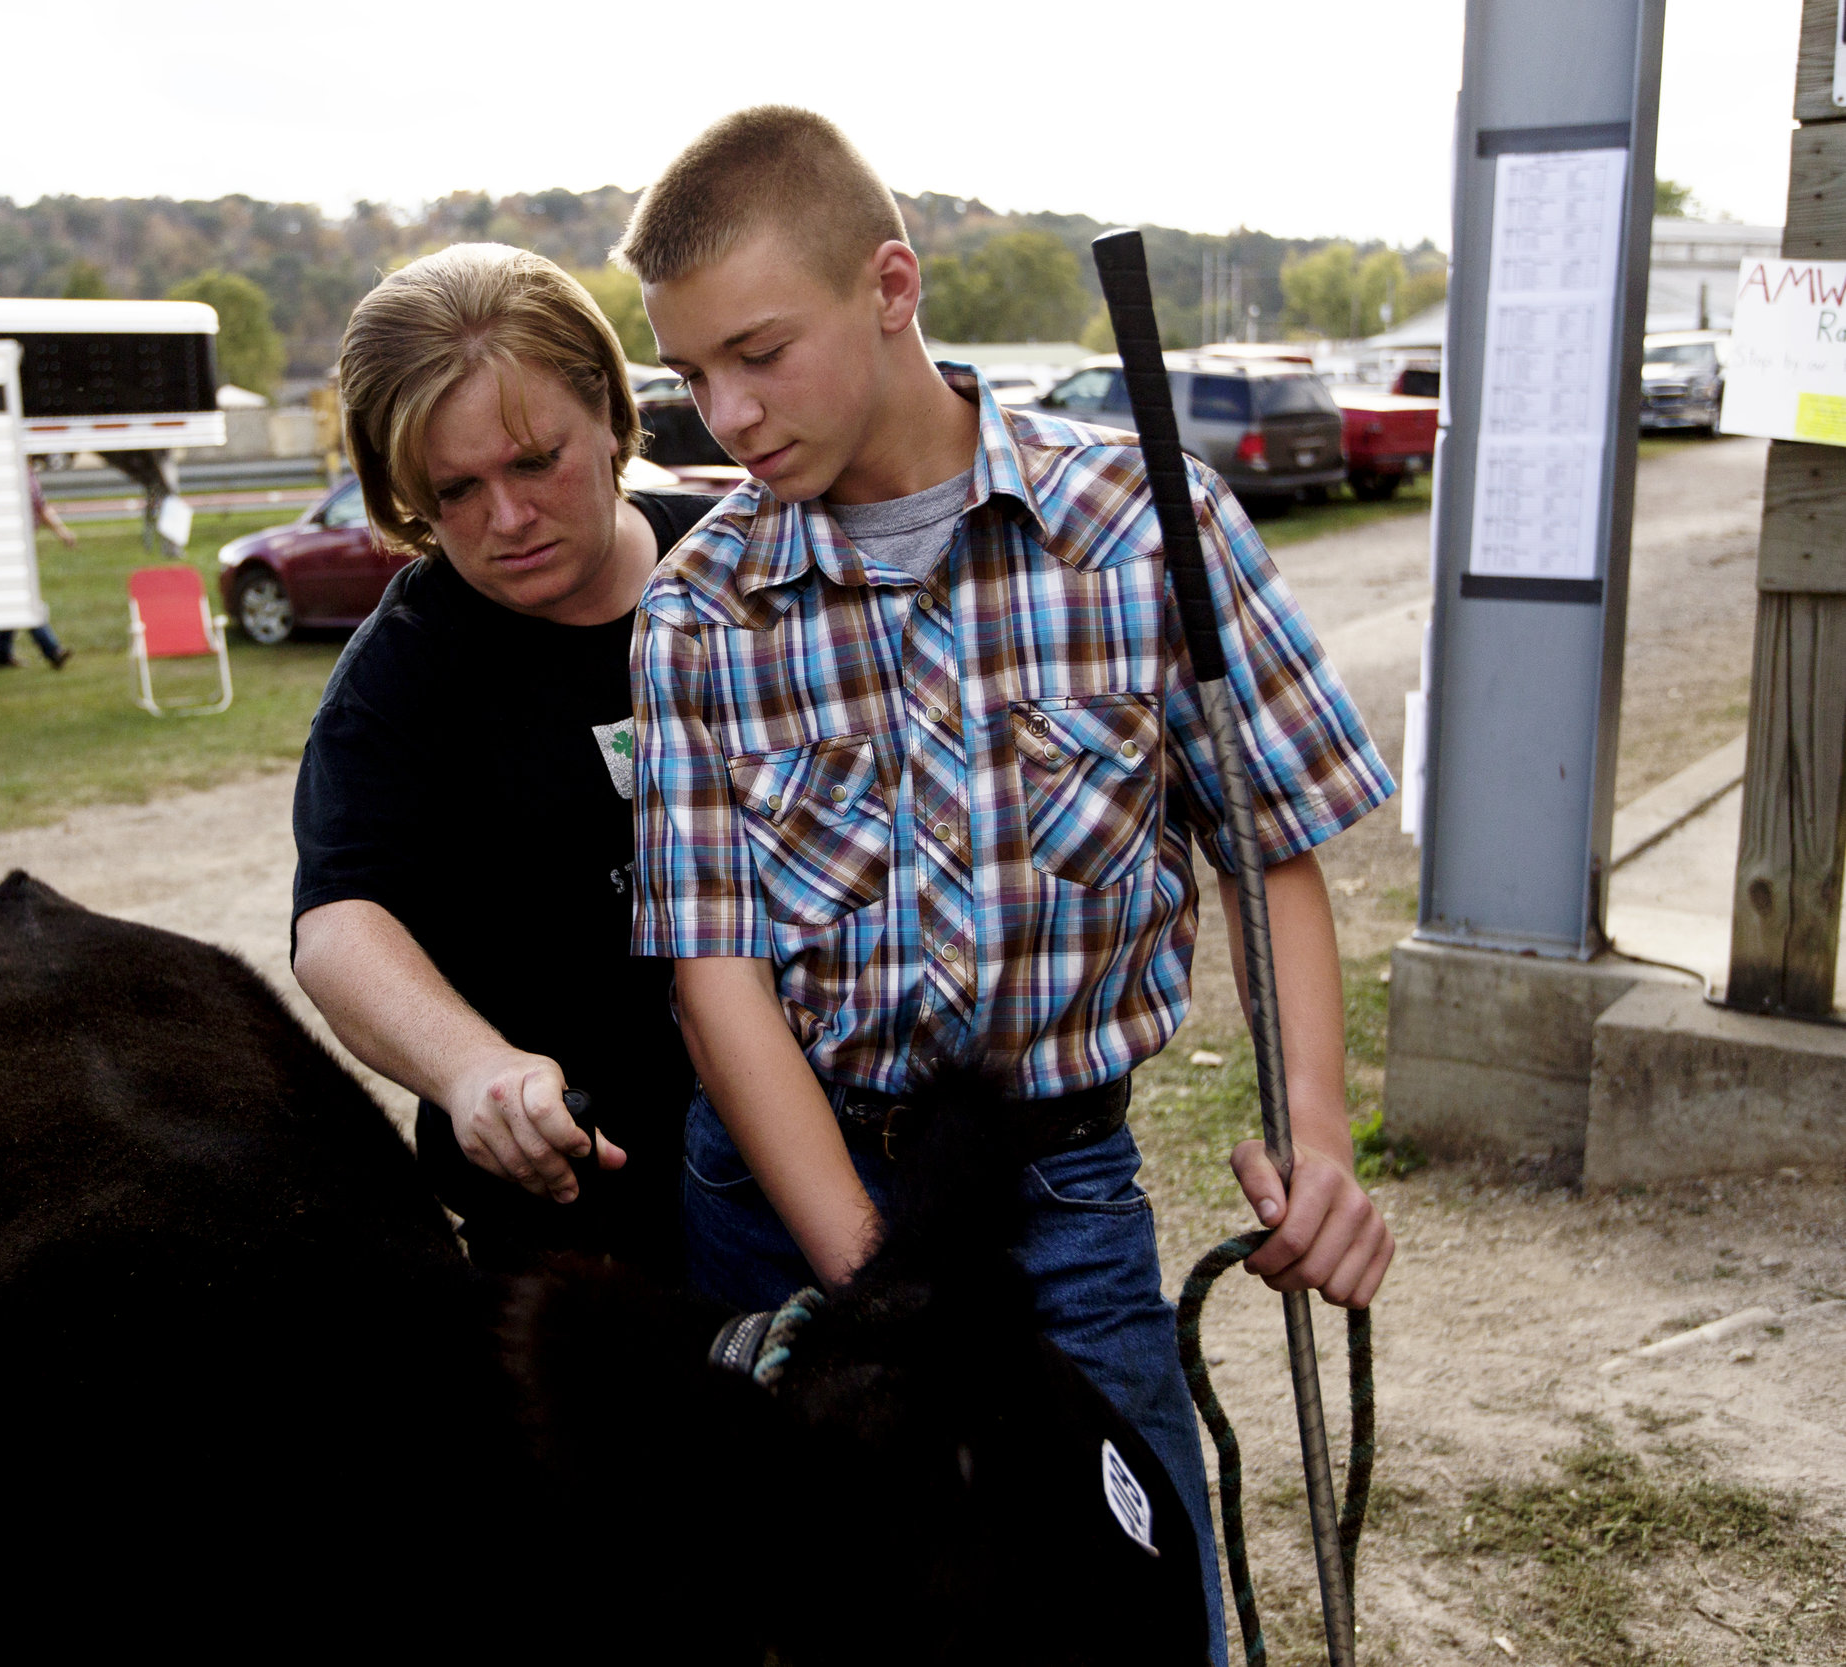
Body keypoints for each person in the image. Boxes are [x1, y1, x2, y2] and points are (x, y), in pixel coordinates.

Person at [618, 107, 1398, 1657]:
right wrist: (892, 1308)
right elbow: (718, 982)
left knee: (1133, 1612)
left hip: (1053, 1197)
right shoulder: (698, 610)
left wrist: (1314, 1134)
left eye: (759, 352)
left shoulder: (1141, 528)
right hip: (786, 1203)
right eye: (692, 373)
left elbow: (1270, 846)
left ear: (891, 285)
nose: (726, 412)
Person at [290, 245, 718, 1281]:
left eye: (534, 461)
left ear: (612, 413)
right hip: (580, 1232)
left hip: (812, 1180)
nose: (507, 519)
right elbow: (341, 922)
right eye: (455, 490)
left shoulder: (742, 575)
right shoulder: (399, 678)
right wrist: (473, 1068)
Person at [0, 462, 76, 670]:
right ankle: (52, 650)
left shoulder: (27, 473)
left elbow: (40, 507)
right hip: (7, 547)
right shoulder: (7, 473)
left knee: (12, 600)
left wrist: (62, 531)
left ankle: (1, 654)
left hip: (21, 545)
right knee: (24, 599)